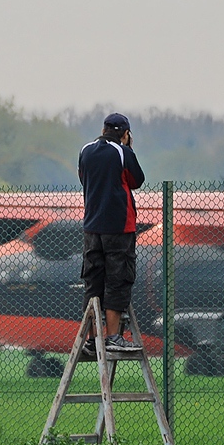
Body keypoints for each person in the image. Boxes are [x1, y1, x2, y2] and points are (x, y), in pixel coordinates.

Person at [78, 112, 145, 353]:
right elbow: (137, 180)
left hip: (92, 227)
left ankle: (92, 339)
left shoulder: (86, 150)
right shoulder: (122, 152)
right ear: (125, 133)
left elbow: (83, 178)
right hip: (119, 226)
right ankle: (113, 337)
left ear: (103, 128)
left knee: (93, 281)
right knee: (118, 280)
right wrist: (128, 149)